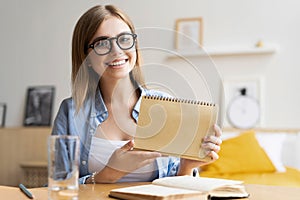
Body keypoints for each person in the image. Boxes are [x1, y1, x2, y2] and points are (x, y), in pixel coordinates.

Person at [51, 4, 222, 184]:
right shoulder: (71, 112)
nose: (116, 51)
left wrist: (187, 166)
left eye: (124, 39)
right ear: (86, 58)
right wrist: (109, 173)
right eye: (102, 43)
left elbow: (176, 187)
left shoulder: (166, 105)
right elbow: (57, 186)